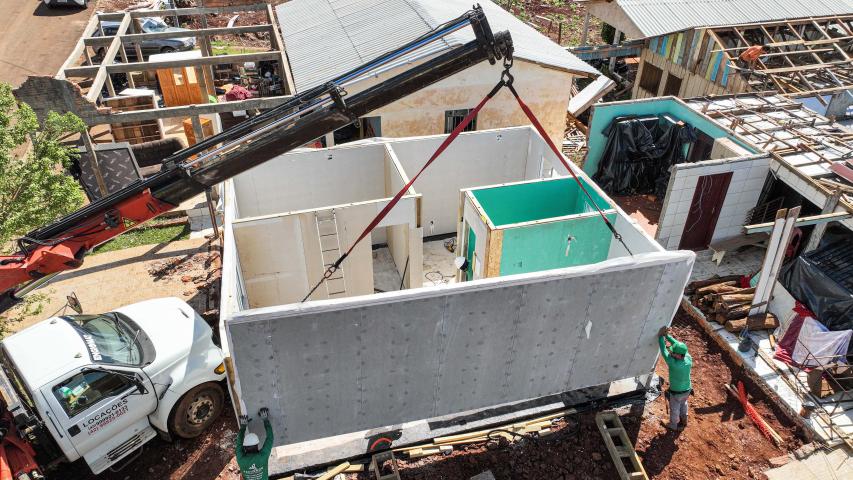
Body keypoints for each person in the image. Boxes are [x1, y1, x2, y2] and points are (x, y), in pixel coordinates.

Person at [659, 326, 693, 431]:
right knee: (684, 403)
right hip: (687, 389)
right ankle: (684, 419)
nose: (671, 352)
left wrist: (661, 337)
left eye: (673, 352)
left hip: (676, 392)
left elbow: (663, 349)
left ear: (678, 355)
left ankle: (673, 425)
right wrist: (667, 336)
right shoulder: (688, 357)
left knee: (674, 408)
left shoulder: (672, 363)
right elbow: (677, 345)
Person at [236, 407, 274, 480]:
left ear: (245, 447)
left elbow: (270, 438)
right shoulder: (241, 459)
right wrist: (243, 426)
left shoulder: (263, 456)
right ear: (256, 445)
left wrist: (265, 419)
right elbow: (239, 444)